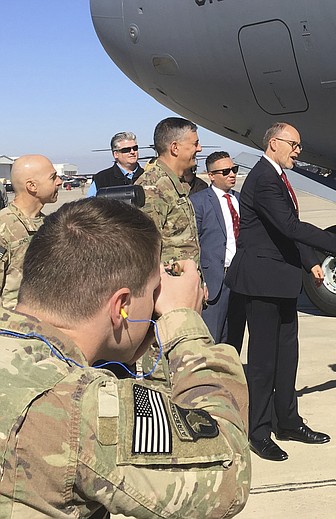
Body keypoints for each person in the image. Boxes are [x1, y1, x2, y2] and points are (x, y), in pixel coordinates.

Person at [0, 198, 250, 517]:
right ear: (122, 306)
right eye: (154, 292)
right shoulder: (84, 407)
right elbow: (229, 475)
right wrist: (182, 319)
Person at [225, 122, 336, 462]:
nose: (298, 150)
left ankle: (287, 421)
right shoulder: (264, 179)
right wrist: (335, 242)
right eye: (293, 144)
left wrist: (310, 261)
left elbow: (286, 232)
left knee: (287, 356)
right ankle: (259, 431)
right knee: (262, 361)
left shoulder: (278, 178)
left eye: (299, 145)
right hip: (261, 280)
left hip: (282, 279)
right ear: (273, 143)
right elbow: (289, 226)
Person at [190, 151, 245, 348]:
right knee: (212, 339)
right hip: (214, 281)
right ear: (211, 175)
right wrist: (200, 281)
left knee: (234, 339)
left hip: (240, 279)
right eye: (225, 171)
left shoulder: (241, 200)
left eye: (234, 169)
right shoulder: (198, 203)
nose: (232, 174)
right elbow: (192, 245)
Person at [135, 117, 202, 266]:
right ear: (175, 148)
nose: (199, 149)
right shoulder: (153, 187)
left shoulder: (174, 182)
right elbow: (145, 251)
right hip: (169, 286)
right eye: (195, 144)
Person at [0, 154, 62, 309]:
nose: (59, 182)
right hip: (11, 329)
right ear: (32, 186)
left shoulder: (49, 225)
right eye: (53, 177)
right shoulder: (4, 227)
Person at [87, 131, 145, 197]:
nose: (132, 152)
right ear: (116, 154)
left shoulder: (147, 175)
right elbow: (89, 205)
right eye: (126, 150)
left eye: (135, 148)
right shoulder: (101, 179)